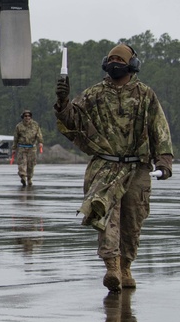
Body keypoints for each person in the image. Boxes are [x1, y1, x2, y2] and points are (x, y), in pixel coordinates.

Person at [55, 43, 172, 292]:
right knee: (105, 217)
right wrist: (62, 101)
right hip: (105, 166)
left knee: (133, 221)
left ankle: (126, 265)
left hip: (136, 168)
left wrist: (164, 160)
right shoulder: (95, 93)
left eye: (120, 60)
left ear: (132, 65)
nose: (114, 64)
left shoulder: (145, 95)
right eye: (111, 59)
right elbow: (71, 119)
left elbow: (159, 128)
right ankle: (112, 267)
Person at [12, 109, 44, 186]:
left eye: (29, 116)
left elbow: (39, 134)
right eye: (25, 116)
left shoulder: (35, 125)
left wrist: (40, 142)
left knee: (31, 165)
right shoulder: (19, 126)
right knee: (22, 164)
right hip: (22, 148)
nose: (27, 117)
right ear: (23, 117)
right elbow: (15, 138)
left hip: (32, 148)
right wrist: (14, 148)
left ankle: (29, 178)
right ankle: (23, 177)